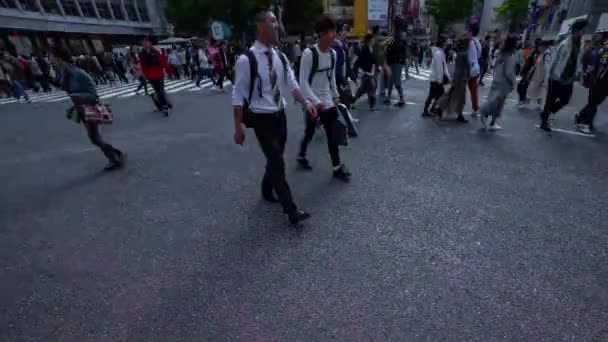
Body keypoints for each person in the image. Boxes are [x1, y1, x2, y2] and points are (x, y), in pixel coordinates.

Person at [232, 8, 318, 225]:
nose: (277, 25)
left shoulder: (280, 56)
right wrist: (238, 127)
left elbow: (292, 83)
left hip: (280, 115)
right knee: (277, 162)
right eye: (272, 21)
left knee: (275, 158)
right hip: (261, 118)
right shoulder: (246, 59)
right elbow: (238, 93)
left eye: (277, 22)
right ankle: (291, 210)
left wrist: (306, 102)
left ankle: (265, 189)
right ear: (260, 26)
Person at [51, 45, 125, 170]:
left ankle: (115, 157)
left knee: (95, 138)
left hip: (88, 107)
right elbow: (69, 88)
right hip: (83, 106)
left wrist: (76, 99)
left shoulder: (70, 70)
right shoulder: (69, 70)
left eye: (52, 57)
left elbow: (86, 92)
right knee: (94, 137)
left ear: (59, 58)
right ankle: (115, 155)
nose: (51, 59)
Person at [297, 16, 351, 181]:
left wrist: (335, 95)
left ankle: (336, 167)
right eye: (330, 32)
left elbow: (331, 77)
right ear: (320, 34)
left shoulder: (333, 54)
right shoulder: (309, 54)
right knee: (310, 131)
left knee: (332, 134)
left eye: (334, 31)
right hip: (313, 102)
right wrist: (315, 101)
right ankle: (301, 155)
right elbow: (302, 82)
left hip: (327, 101)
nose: (333, 35)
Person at [539, 18, 587, 132]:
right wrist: (550, 74)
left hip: (569, 78)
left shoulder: (580, 44)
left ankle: (548, 112)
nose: (584, 32)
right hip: (557, 76)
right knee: (550, 99)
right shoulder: (565, 43)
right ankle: (544, 121)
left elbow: (578, 60)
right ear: (577, 30)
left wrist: (578, 74)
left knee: (565, 100)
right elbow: (555, 59)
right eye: (583, 30)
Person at [479, 35, 518, 131]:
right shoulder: (510, 56)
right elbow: (509, 72)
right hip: (504, 83)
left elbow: (495, 66)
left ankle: (492, 121)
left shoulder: (501, 53)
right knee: (496, 102)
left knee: (494, 100)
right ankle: (485, 115)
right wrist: (513, 83)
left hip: (497, 79)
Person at [575, 36, 608, 134]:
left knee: (594, 103)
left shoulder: (602, 50)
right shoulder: (604, 50)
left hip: (601, 81)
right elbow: (602, 65)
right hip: (600, 81)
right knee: (594, 103)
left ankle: (582, 118)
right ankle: (584, 122)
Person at [437, 36, 469, 122]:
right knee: (460, 97)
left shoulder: (460, 53)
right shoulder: (465, 54)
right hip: (461, 78)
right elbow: (467, 67)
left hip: (457, 77)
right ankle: (459, 114)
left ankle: (440, 107)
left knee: (451, 94)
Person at [140, 37, 172, 116]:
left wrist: (169, 71)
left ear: (150, 43)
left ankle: (165, 106)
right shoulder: (142, 53)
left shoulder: (156, 51)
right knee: (156, 91)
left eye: (146, 42)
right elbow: (143, 65)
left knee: (160, 90)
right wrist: (144, 74)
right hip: (150, 75)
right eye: (144, 43)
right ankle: (163, 105)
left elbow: (163, 61)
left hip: (158, 73)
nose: (145, 44)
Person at [422, 36, 450, 117]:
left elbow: (443, 66)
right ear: (443, 43)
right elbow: (439, 68)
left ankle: (432, 109)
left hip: (437, 78)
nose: (447, 44)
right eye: (446, 42)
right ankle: (428, 110)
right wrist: (440, 80)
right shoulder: (439, 53)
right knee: (433, 95)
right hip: (436, 79)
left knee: (438, 96)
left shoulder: (440, 52)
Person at [353, 34, 377, 110]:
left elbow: (373, 60)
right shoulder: (364, 48)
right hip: (365, 71)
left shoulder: (371, 48)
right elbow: (359, 60)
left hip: (370, 71)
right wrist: (362, 71)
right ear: (369, 40)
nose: (373, 41)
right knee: (365, 88)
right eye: (372, 40)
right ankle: (353, 102)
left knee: (371, 87)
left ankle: (371, 106)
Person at [526, 40, 552, 111]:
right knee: (534, 92)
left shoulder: (546, 55)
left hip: (541, 79)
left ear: (543, 47)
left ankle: (543, 110)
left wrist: (545, 80)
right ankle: (540, 107)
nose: (538, 48)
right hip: (537, 77)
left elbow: (547, 69)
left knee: (541, 94)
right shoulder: (541, 54)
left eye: (539, 46)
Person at [384, 34, 406, 106]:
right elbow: (387, 52)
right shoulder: (399, 43)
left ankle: (401, 98)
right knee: (391, 81)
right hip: (394, 63)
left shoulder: (399, 43)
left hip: (396, 63)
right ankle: (389, 97)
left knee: (396, 82)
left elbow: (388, 52)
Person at [467, 23, 482, 117]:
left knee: (460, 88)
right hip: (476, 68)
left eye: (468, 31)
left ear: (471, 32)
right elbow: (478, 56)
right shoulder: (478, 43)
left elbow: (468, 57)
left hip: (470, 69)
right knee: (473, 90)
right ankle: (476, 108)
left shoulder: (470, 42)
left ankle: (476, 108)